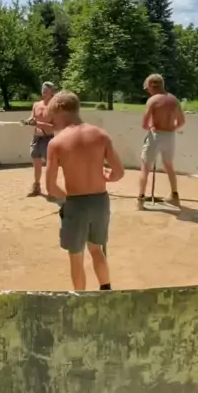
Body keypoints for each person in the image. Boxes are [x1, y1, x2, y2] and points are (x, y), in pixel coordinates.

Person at [45, 91, 124, 292]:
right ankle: (106, 290)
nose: (52, 121)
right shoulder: (101, 135)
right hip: (100, 201)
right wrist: (107, 176)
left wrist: (68, 201)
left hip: (76, 203)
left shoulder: (56, 143)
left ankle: (80, 298)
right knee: (97, 250)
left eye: (53, 116)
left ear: (61, 109)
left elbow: (51, 187)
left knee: (76, 256)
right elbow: (118, 172)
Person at [137, 74, 185, 210]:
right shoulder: (174, 100)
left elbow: (144, 124)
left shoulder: (152, 101)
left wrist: (151, 127)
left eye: (148, 88)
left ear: (151, 85)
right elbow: (181, 121)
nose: (148, 91)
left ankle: (140, 199)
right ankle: (174, 195)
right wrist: (172, 128)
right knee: (169, 165)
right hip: (170, 136)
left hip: (156, 135)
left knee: (145, 167)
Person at [21, 82, 55, 196]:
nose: (44, 90)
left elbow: (54, 127)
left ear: (52, 92)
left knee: (50, 165)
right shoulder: (36, 104)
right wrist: (27, 121)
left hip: (48, 138)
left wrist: (38, 123)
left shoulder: (54, 107)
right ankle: (36, 187)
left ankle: (52, 188)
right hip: (36, 138)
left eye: (47, 89)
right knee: (36, 163)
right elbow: (32, 117)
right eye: (43, 88)